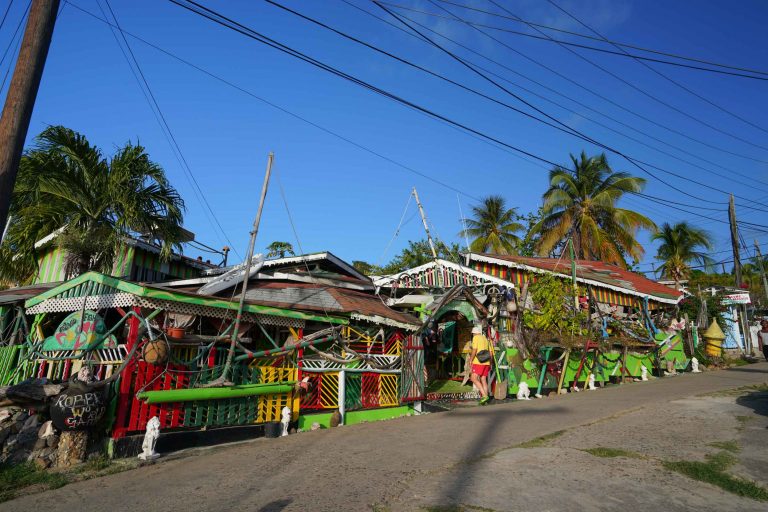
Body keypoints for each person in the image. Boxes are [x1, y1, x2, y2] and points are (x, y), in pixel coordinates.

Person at [469, 325, 491, 405]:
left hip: (478, 362)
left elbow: (474, 349)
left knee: (473, 378)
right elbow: (489, 351)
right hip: (486, 361)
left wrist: (471, 359)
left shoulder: (476, 338)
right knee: (483, 379)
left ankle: (484, 396)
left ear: (474, 333)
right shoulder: (485, 338)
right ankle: (486, 398)